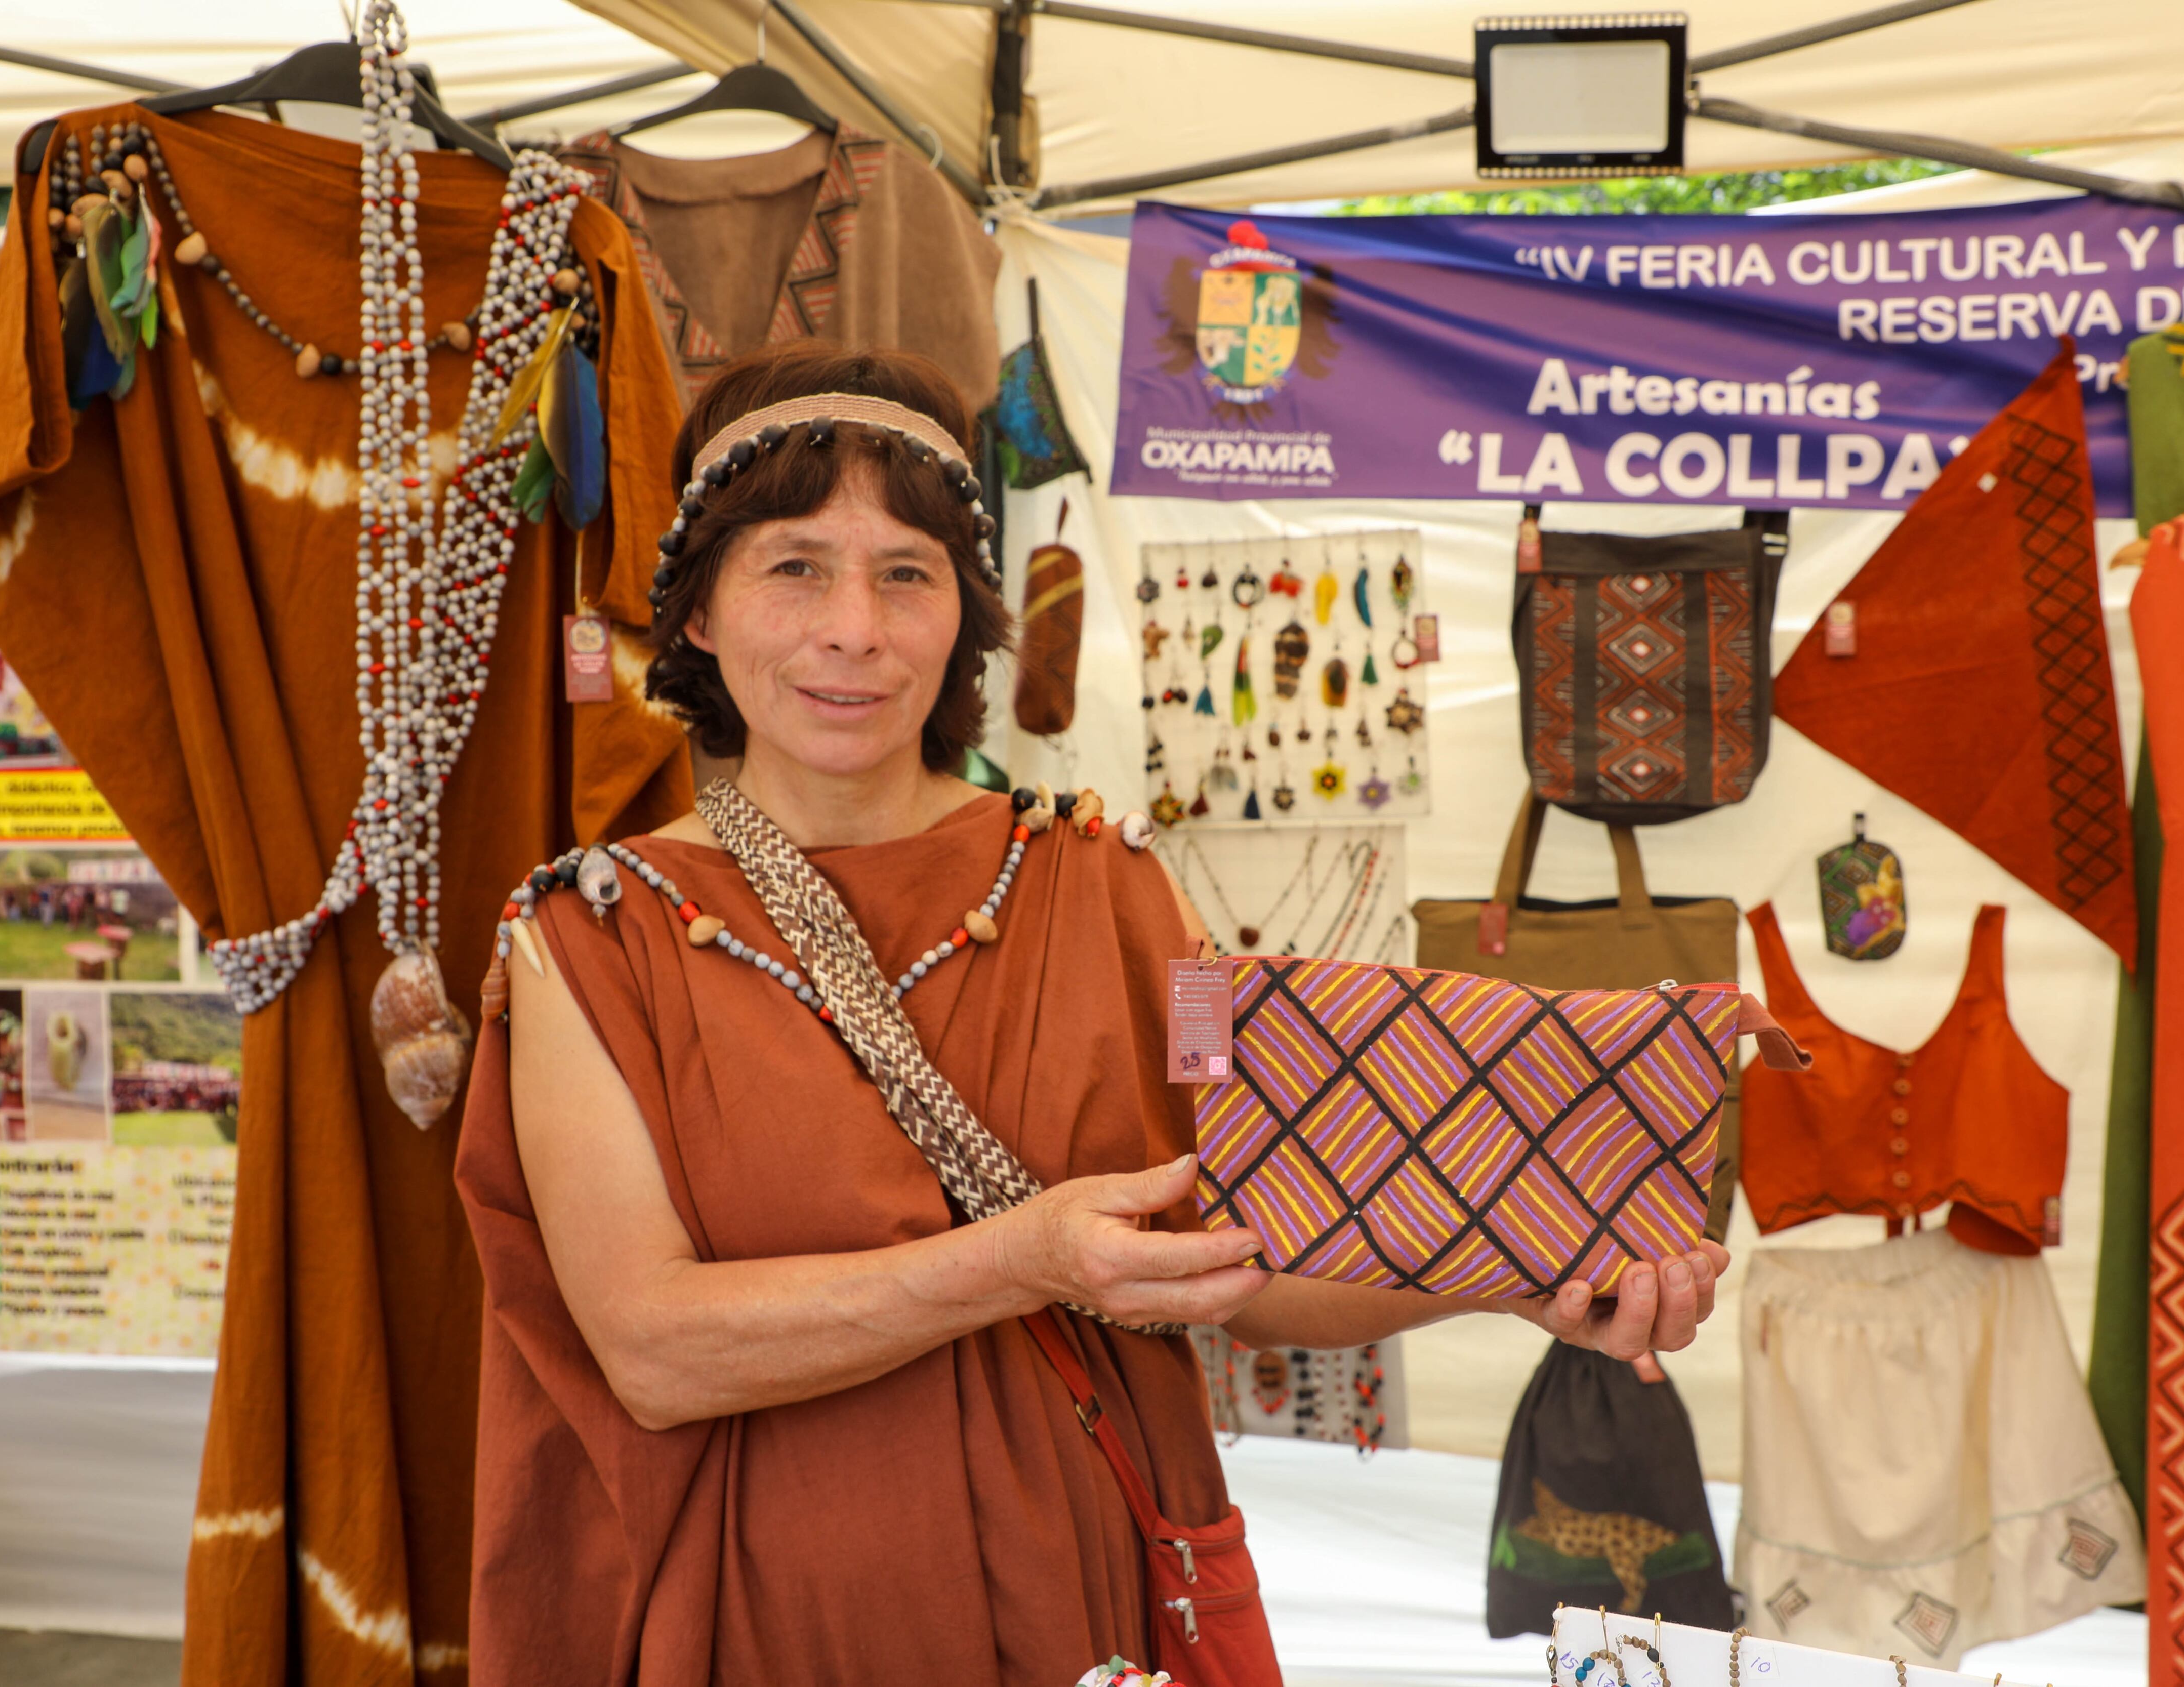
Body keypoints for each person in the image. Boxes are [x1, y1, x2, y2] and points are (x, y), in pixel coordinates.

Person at [456, 340, 1730, 1686]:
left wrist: (1527, 1280)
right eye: (793, 568)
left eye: (907, 573)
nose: (856, 628)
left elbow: (1247, 1253)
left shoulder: (1119, 895)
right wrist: (1025, 1260)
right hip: (767, 1632)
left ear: (964, 614)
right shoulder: (588, 937)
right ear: (699, 613)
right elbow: (652, 1349)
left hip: (1095, 1615)